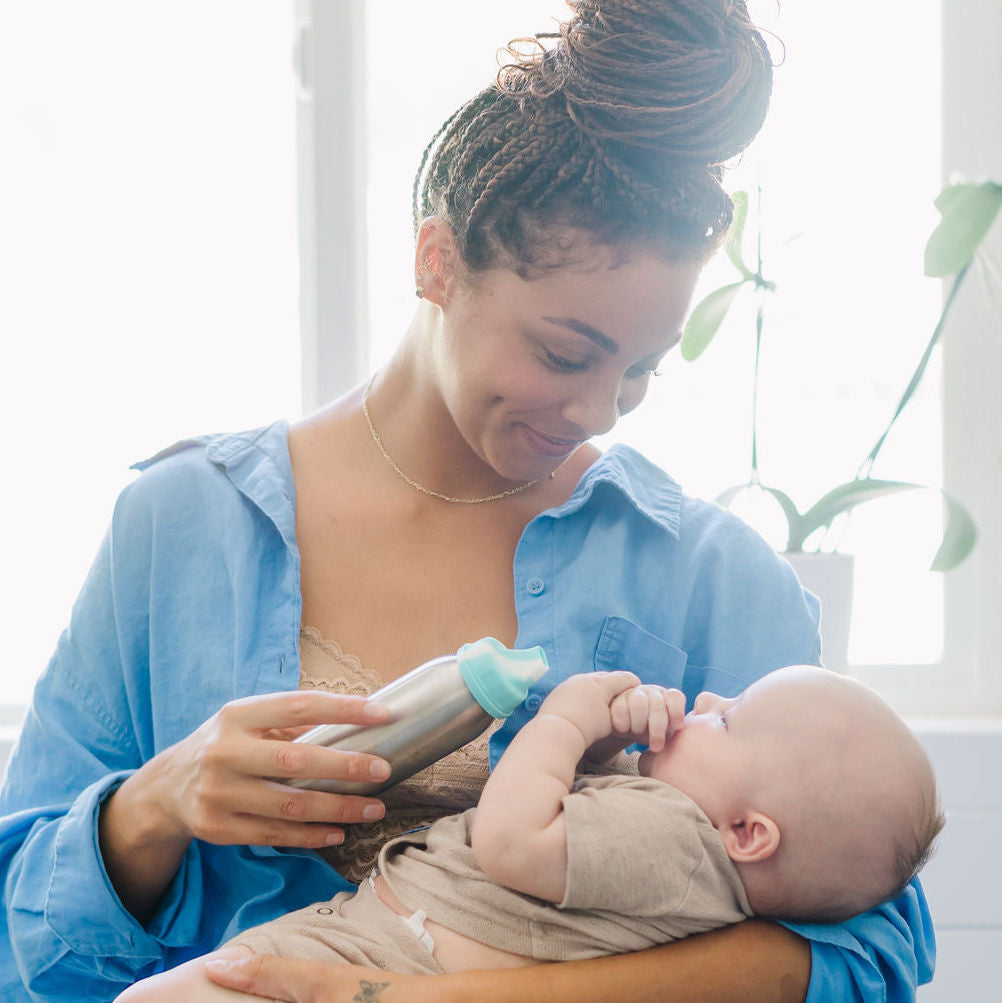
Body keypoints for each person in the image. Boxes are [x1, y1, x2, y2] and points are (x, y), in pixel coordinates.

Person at [0, 1, 936, 1001]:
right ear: (437, 261)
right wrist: (154, 804)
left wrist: (427, 999)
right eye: (565, 353)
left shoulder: (709, 572)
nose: (597, 412)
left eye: (639, 371)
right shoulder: (182, 530)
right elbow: (22, 943)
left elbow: (866, 957)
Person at [115, 666, 944, 1002]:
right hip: (375, 936)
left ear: (750, 832)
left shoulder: (675, 837)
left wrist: (570, 716)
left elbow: (515, 840)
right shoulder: (690, 845)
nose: (703, 702)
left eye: (727, 722)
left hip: (391, 959)